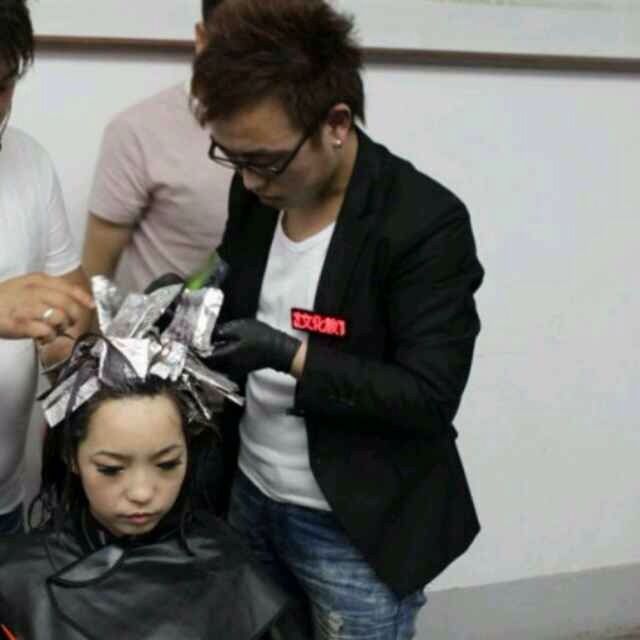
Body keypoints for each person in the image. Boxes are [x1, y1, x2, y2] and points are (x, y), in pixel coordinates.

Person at [192, 1, 485, 637]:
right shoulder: (257, 192)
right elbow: (233, 276)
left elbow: (428, 396)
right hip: (250, 490)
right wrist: (191, 296)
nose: (250, 180)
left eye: (266, 160)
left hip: (353, 523)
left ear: (336, 123)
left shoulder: (422, 223)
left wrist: (291, 354)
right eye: (232, 157)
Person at [0, 285, 295, 639]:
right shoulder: (16, 580)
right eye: (111, 469)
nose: (142, 493)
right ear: (71, 457)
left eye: (167, 464)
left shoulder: (231, 571)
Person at [0, 0, 93, 537]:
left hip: (5, 502)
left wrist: (66, 344)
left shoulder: (29, 160)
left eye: (2, 85)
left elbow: (71, 297)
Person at [82, 0, 231, 292]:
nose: (256, 62)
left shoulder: (305, 131)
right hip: (164, 318)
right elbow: (94, 279)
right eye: (238, 44)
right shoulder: (137, 131)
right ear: (203, 38)